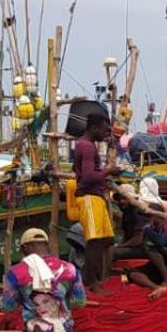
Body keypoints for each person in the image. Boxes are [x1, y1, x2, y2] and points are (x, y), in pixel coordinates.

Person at [72, 115, 121, 285]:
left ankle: (96, 278)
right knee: (94, 242)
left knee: (107, 240)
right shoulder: (87, 147)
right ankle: (90, 283)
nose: (107, 133)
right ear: (94, 128)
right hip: (89, 198)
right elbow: (88, 177)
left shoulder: (86, 145)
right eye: (104, 129)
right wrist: (109, 171)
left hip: (96, 197)